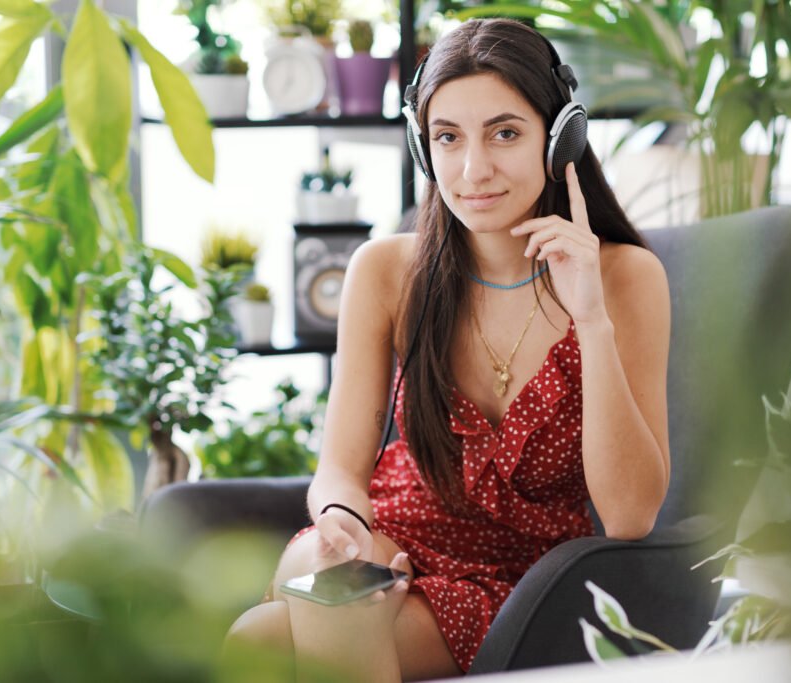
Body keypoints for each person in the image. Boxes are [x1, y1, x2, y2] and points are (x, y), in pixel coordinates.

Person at [226, 18, 671, 682]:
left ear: (559, 138)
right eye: (447, 137)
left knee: (260, 638)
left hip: (525, 581)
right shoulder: (385, 272)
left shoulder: (625, 277)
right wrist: (342, 521)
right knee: (307, 591)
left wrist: (592, 320)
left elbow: (631, 514)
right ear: (421, 146)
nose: (473, 170)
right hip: (387, 544)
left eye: (505, 133)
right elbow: (340, 470)